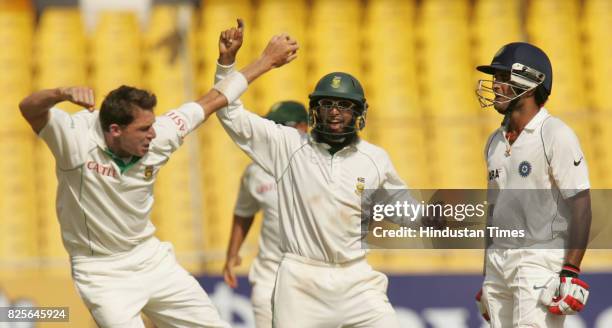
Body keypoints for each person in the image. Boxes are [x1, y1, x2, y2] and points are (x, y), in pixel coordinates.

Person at [18, 24, 298, 328]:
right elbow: (28, 108)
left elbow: (214, 99)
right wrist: (60, 93)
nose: (153, 134)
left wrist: (264, 61)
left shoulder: (160, 135)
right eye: (143, 129)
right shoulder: (74, 138)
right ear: (115, 130)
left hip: (150, 258)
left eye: (153, 125)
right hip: (101, 272)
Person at [211, 20, 407, 328]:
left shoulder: (375, 159)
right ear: (314, 110)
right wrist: (227, 64)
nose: (334, 112)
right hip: (301, 281)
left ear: (359, 114)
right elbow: (229, 113)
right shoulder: (287, 146)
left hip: (357, 278)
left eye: (344, 105)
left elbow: (411, 210)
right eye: (326, 104)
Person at [474, 42, 592, 327]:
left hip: (539, 262)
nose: (496, 86)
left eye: (503, 78)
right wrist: (488, 274)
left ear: (530, 82)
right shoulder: (494, 142)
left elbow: (581, 205)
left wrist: (571, 271)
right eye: (495, 79)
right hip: (499, 264)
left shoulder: (555, 134)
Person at [223, 101, 308, 328]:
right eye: (271, 126)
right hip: (269, 277)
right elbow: (244, 211)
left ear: (303, 127)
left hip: (313, 278)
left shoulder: (322, 165)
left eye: (281, 126)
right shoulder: (255, 171)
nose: (274, 133)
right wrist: (232, 254)